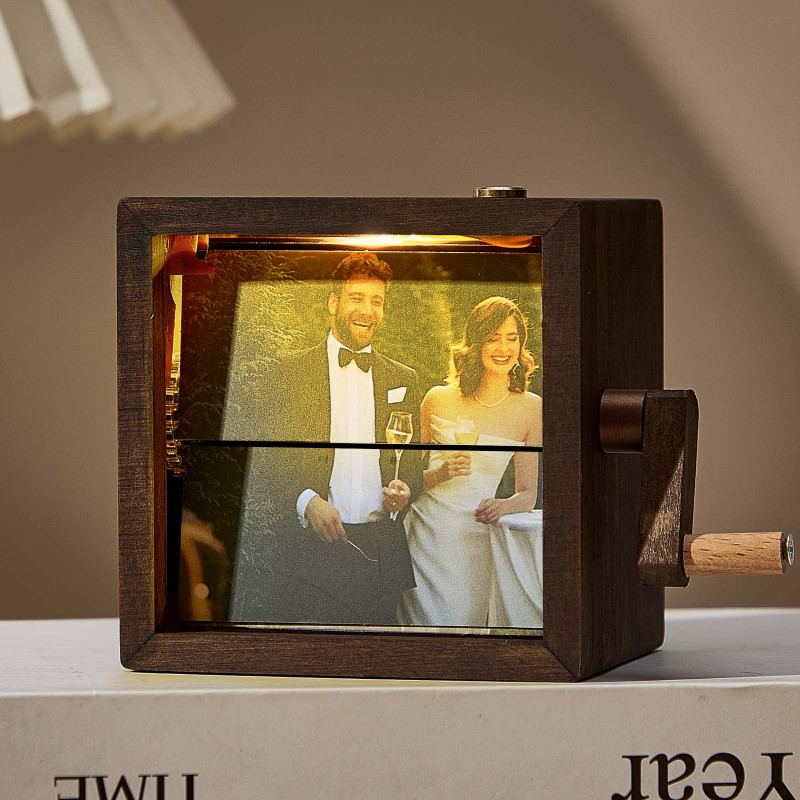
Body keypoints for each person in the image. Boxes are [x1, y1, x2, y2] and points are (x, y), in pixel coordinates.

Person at [232, 252, 422, 625]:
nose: (367, 310)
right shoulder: (289, 373)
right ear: (333, 302)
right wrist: (307, 501)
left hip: (380, 553)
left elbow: (412, 461)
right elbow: (264, 459)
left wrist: (404, 490)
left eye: (377, 301)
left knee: (377, 657)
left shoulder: (404, 379)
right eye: (356, 298)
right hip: (309, 552)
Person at [397, 296, 542, 628]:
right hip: (425, 539)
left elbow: (528, 494)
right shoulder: (437, 399)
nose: (503, 348)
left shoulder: (531, 407)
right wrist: (442, 472)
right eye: (493, 338)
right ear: (476, 344)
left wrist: (502, 506)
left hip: (476, 541)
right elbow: (407, 478)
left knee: (463, 631)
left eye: (512, 338)